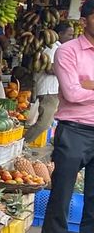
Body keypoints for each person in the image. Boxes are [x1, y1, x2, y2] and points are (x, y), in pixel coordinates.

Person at [39, 0, 94, 233]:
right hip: (74, 131)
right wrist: (83, 88)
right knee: (60, 200)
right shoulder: (68, 51)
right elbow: (72, 93)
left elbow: (82, 88)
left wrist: (90, 85)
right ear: (84, 20)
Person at [23, 21, 74, 152]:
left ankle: (23, 144)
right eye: (69, 35)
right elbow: (49, 68)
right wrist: (68, 70)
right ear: (60, 34)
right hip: (48, 89)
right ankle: (22, 143)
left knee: (47, 121)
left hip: (52, 89)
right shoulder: (53, 48)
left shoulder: (57, 48)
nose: (71, 38)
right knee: (44, 122)